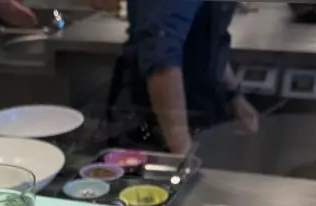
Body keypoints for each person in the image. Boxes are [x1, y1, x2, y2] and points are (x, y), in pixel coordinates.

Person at [107, 0, 260, 154]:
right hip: (158, 124)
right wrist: (182, 151)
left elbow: (209, 43)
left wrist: (233, 95)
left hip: (199, 112)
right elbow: (162, 64)